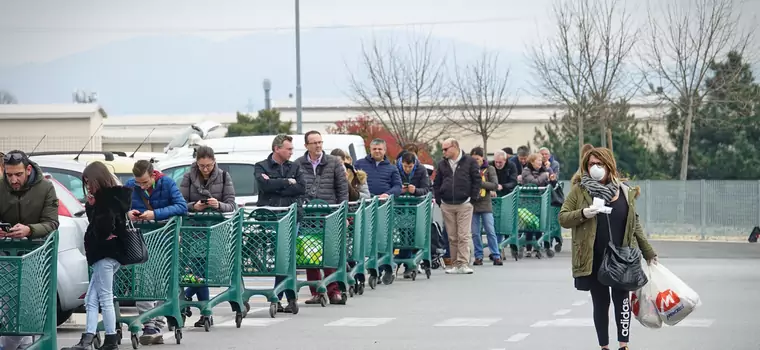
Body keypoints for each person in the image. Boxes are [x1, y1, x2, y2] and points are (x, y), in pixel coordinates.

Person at [558, 147, 657, 350]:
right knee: (600, 303)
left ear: (609, 165)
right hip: (593, 257)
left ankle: (624, 345)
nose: (595, 168)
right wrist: (584, 213)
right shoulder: (580, 190)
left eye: (599, 164)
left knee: (622, 302)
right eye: (591, 164)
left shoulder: (624, 191)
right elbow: (563, 218)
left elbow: (634, 223)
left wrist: (648, 252)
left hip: (622, 257)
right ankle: (604, 346)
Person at [63, 162, 131, 350]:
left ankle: (108, 339)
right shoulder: (115, 197)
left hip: (104, 254)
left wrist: (93, 208)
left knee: (104, 298)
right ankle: (89, 338)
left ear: (97, 179)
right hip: (111, 254)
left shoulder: (105, 200)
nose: (88, 187)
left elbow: (103, 227)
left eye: (89, 182)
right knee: (91, 300)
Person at [0, 151, 59, 350]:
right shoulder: (1, 187)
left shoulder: (46, 188)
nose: (13, 180)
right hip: (7, 254)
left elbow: (52, 223)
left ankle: (25, 343)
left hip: (35, 255)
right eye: (9, 175)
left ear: (28, 169)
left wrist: (30, 230)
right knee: (7, 302)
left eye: (17, 174)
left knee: (29, 303)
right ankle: (13, 345)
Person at [126, 160, 188, 345]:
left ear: (153, 175)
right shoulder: (130, 186)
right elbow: (120, 208)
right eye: (139, 183)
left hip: (164, 237)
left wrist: (155, 214)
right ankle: (148, 323)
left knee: (161, 279)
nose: (142, 186)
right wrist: (128, 213)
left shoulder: (167, 183)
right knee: (142, 278)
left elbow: (181, 206)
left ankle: (157, 321)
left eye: (145, 182)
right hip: (141, 237)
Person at [178, 145, 236, 327]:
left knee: (205, 271)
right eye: (202, 165)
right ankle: (205, 312)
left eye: (209, 166)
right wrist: (193, 206)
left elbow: (231, 205)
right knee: (198, 270)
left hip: (216, 230)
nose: (205, 169)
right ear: (196, 162)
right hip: (193, 230)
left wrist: (217, 204)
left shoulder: (224, 176)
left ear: (214, 162)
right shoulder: (188, 177)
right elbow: (180, 203)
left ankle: (188, 296)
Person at [295, 130, 349, 305]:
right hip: (308, 217)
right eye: (314, 143)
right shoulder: (298, 164)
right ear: (306, 146)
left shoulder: (334, 163)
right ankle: (317, 291)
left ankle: (334, 290)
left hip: (329, 215)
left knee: (329, 253)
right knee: (310, 254)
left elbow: (342, 190)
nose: (318, 146)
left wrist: (344, 214)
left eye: (320, 142)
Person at [255, 134, 305, 313]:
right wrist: (286, 182)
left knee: (288, 258)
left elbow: (301, 188)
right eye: (289, 149)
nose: (292, 152)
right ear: (277, 149)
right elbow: (265, 187)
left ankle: (288, 297)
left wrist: (276, 185)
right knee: (281, 258)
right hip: (271, 218)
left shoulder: (295, 166)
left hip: (292, 217)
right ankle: (282, 297)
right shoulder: (261, 166)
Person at [432, 138, 481, 275]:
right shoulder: (442, 164)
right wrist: (440, 200)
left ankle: (463, 263)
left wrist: (473, 198)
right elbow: (437, 182)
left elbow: (476, 180)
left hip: (464, 203)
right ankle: (454, 263)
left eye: (446, 149)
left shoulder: (470, 161)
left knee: (463, 235)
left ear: (454, 147)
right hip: (447, 204)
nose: (444, 152)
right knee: (452, 236)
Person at [395, 151, 431, 278]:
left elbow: (426, 188)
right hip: (399, 207)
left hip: (415, 207)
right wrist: (400, 190)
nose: (408, 169)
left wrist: (415, 191)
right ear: (401, 163)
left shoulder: (421, 170)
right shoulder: (395, 169)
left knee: (411, 234)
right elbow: (392, 186)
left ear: (414, 164)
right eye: (405, 166)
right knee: (402, 233)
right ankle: (405, 260)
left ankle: (407, 262)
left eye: (410, 167)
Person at [469, 147, 502, 266]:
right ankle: (478, 256)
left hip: (485, 203)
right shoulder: (469, 169)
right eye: (473, 159)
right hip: (473, 203)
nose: (475, 161)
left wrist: (480, 183)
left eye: (477, 159)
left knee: (490, 230)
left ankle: (496, 255)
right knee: (475, 232)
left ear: (482, 157)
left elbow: (494, 185)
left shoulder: (489, 169)